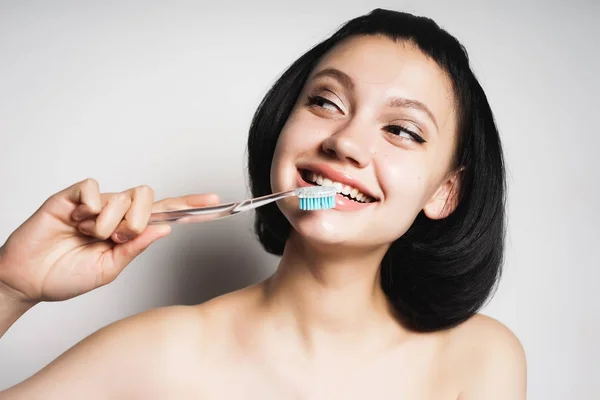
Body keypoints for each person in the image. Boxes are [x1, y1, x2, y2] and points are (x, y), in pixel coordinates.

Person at [0, 8, 526, 399]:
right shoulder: (161, 354)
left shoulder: (479, 360)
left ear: (444, 192)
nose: (344, 141)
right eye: (325, 101)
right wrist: (10, 287)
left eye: (401, 130)